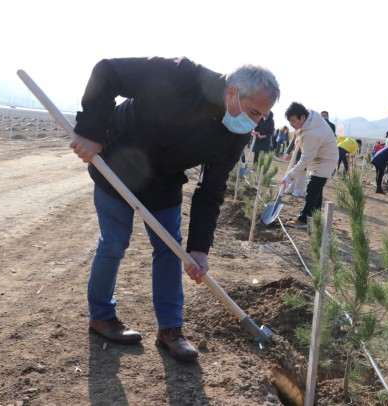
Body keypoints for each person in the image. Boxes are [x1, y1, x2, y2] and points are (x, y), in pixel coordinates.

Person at [70, 56, 280, 362]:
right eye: (254, 112)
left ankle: (170, 330)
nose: (256, 122)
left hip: (163, 179)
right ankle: (101, 316)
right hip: (118, 161)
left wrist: (199, 249)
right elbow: (108, 71)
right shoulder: (182, 75)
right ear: (232, 92)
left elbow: (211, 189)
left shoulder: (237, 134)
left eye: (263, 116)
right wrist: (91, 132)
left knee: (170, 249)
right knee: (114, 242)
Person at [283, 102, 338, 228]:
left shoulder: (313, 133)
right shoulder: (309, 116)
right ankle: (315, 218)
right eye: (290, 122)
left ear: (302, 117)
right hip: (320, 157)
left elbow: (305, 160)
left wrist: (290, 176)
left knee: (312, 187)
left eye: (293, 121)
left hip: (326, 159)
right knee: (316, 189)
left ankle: (304, 219)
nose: (292, 125)